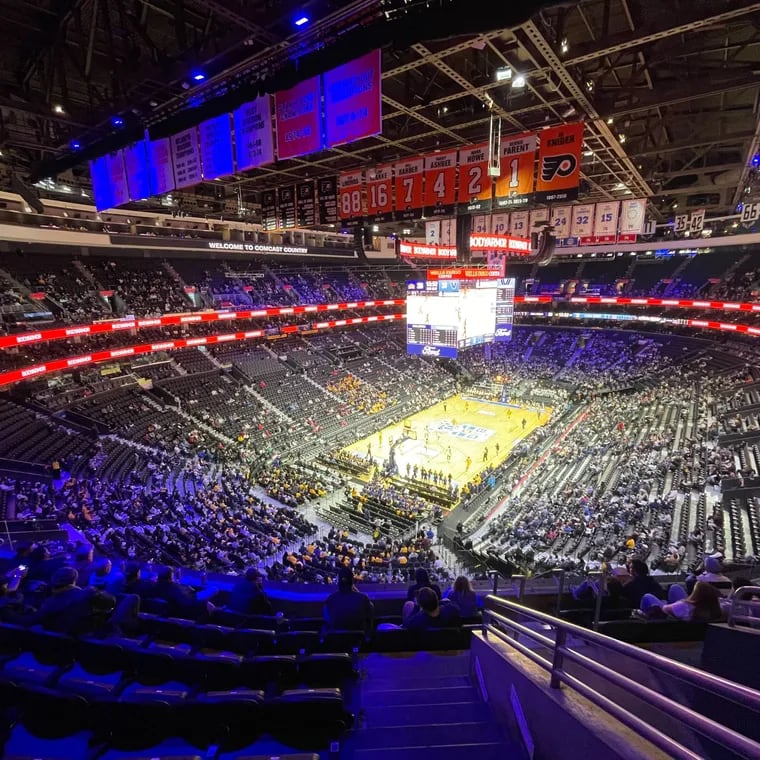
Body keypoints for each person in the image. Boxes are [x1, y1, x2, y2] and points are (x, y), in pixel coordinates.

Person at [640, 581, 722, 622]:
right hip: (688, 615)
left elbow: (664, 609)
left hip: (670, 618)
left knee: (647, 597)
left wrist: (665, 602)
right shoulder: (714, 609)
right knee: (675, 587)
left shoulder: (683, 607)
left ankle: (642, 617)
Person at [323, 567, 373, 632]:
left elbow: (327, 621)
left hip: (336, 640)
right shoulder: (363, 598)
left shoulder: (330, 599)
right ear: (352, 581)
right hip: (359, 640)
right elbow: (370, 615)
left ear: (338, 582)